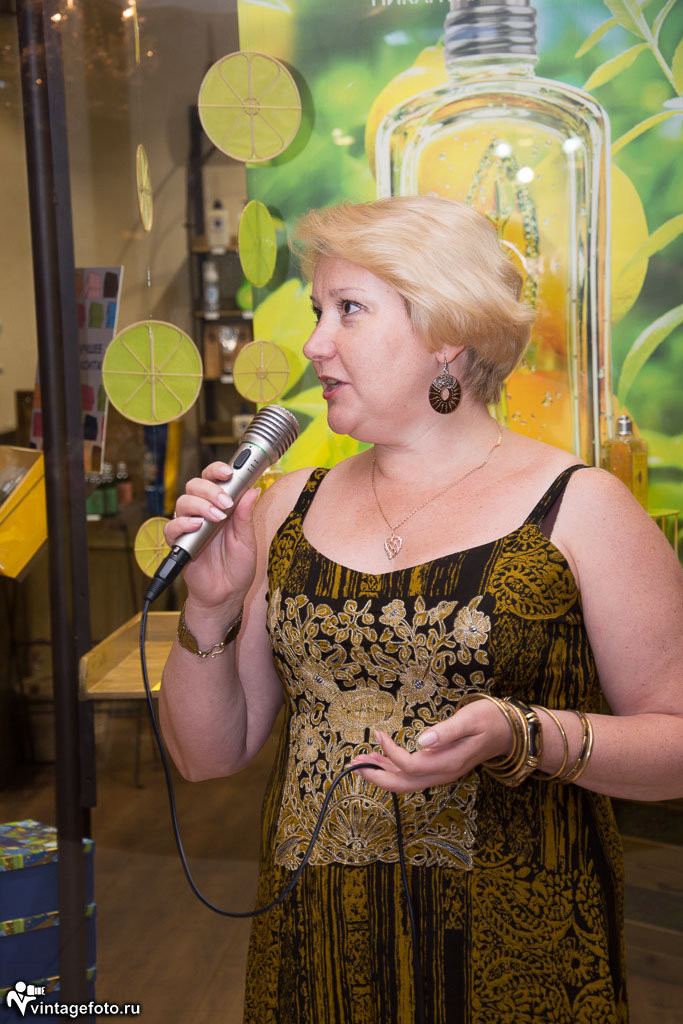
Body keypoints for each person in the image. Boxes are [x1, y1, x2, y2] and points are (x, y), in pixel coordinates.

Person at [159, 195, 683, 1024]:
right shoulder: (285, 506)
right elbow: (204, 757)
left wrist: (523, 733)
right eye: (318, 310)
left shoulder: (580, 508)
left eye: (348, 310)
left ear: (446, 333)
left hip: (513, 962)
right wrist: (207, 607)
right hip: (316, 956)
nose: (315, 343)